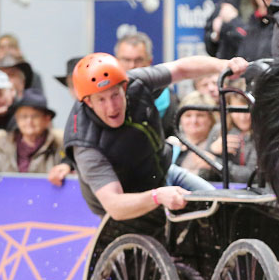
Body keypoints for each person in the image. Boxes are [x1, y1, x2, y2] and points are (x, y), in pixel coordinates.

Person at [63, 52, 248, 221]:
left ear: (124, 87)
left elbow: (181, 68)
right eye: (101, 100)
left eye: (115, 95)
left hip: (165, 171)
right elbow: (115, 205)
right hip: (130, 201)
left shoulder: (137, 82)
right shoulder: (85, 143)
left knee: (221, 208)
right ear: (88, 102)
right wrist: (156, 196)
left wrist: (224, 65)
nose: (112, 107)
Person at [114, 32, 179, 138]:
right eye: (126, 60)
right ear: (116, 61)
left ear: (149, 61)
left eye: (138, 60)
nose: (132, 66)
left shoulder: (167, 98)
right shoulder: (104, 94)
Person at [0, 90, 64, 177]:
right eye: (24, 116)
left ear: (47, 119)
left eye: (35, 116)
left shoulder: (59, 145)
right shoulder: (2, 144)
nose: (29, 121)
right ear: (17, 119)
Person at [208, 95, 256, 184]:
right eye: (237, 111)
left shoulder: (261, 134)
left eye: (247, 111)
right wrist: (212, 150)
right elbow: (203, 169)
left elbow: (252, 176)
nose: (243, 117)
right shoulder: (218, 130)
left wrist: (215, 161)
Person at [171, 90, 218, 174]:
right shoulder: (172, 144)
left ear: (211, 119)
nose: (193, 121)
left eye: (200, 115)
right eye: (188, 115)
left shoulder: (217, 145)